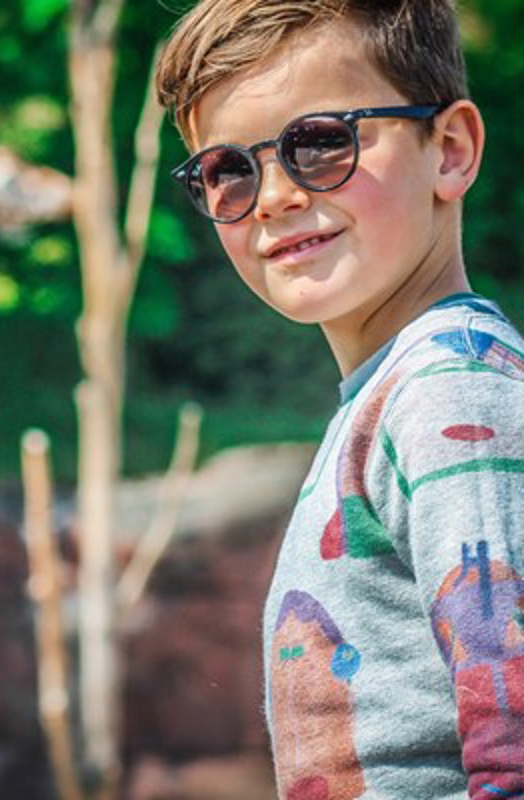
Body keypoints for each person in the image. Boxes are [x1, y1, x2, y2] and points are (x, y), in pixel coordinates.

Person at [155, 1, 524, 798]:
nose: (275, 196)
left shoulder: (450, 392)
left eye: (321, 142)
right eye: (229, 170)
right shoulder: (391, 395)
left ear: (451, 151)